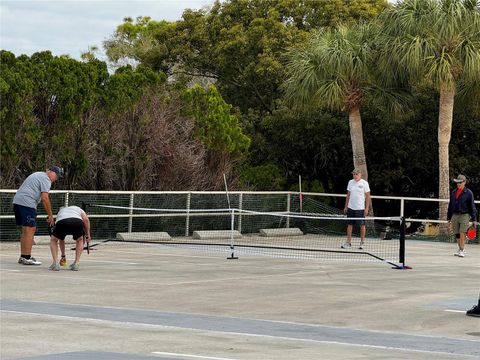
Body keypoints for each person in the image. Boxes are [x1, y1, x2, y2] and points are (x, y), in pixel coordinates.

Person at [13, 165, 63, 265]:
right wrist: (50, 215)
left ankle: (24, 256)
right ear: (51, 172)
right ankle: (26, 257)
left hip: (18, 202)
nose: (56, 179)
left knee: (26, 230)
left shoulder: (38, 174)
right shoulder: (46, 179)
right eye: (56, 176)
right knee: (30, 229)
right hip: (27, 203)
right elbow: (45, 198)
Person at [49, 205, 91, 271]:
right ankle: (76, 263)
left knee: (54, 240)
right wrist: (88, 234)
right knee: (80, 240)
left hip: (62, 222)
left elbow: (61, 239)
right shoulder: (78, 209)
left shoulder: (61, 211)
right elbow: (85, 219)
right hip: (77, 221)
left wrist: (63, 256)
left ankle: (56, 264)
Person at [447, 174, 477, 258]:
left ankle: (461, 249)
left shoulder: (469, 193)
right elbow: (450, 205)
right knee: (457, 233)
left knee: (462, 232)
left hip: (465, 215)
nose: (458, 184)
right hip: (455, 215)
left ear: (464, 182)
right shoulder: (453, 192)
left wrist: (474, 219)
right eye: (457, 182)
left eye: (460, 182)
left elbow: (472, 206)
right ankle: (460, 248)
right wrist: (449, 217)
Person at [342, 168, 371, 250]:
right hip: (351, 207)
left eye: (356, 174)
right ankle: (348, 242)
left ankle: (362, 242)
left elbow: (368, 197)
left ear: (360, 174)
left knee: (362, 225)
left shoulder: (364, 183)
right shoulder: (350, 182)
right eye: (354, 174)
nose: (355, 176)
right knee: (349, 225)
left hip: (360, 208)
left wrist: (366, 208)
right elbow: (348, 195)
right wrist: (346, 206)